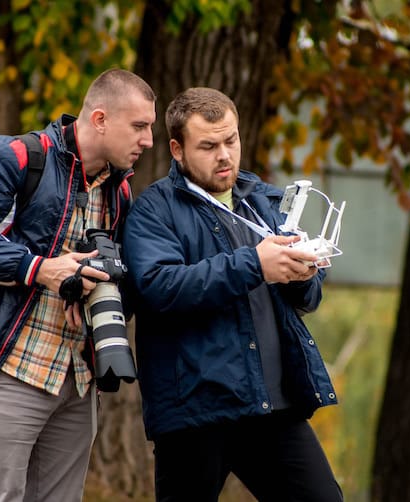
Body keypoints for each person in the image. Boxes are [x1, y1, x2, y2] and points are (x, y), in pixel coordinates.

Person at [0, 68, 156, 501]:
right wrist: (40, 268)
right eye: (139, 126)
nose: (147, 139)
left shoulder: (120, 193)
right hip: (7, 371)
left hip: (76, 382)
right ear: (99, 119)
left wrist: (93, 293)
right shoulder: (15, 157)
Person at [123, 87, 343, 502]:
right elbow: (159, 288)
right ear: (177, 149)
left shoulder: (262, 201)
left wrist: (302, 274)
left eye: (231, 140)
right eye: (208, 145)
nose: (224, 154)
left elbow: (307, 301)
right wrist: (255, 265)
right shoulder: (154, 209)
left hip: (271, 406)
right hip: (196, 411)